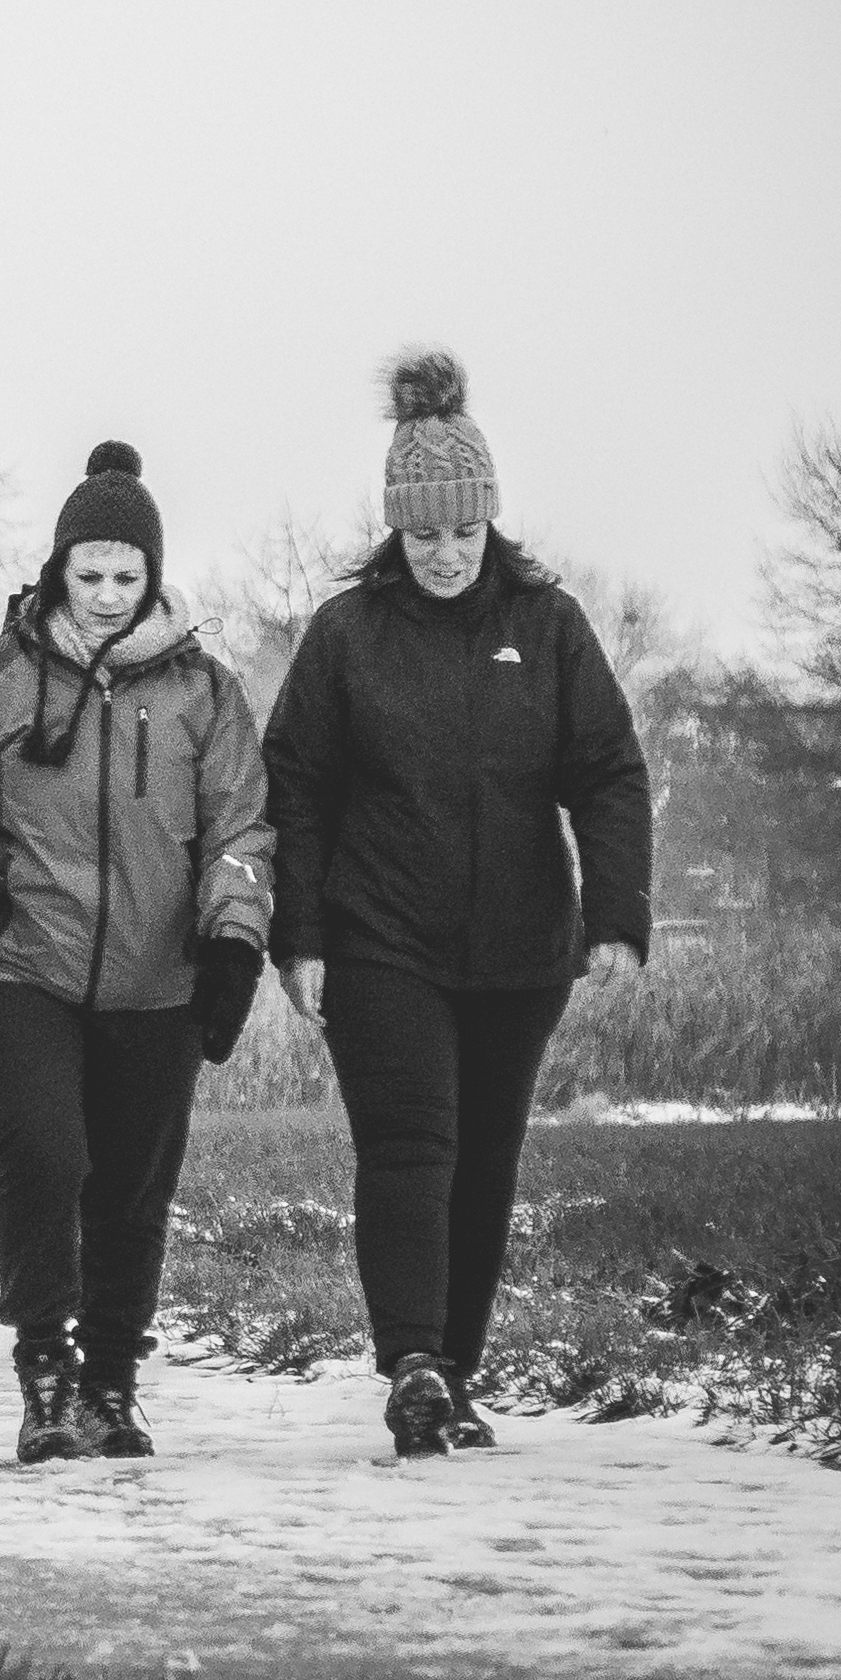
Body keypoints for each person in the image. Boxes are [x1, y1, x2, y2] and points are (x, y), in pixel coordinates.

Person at [263, 352, 653, 1459]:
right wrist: (300, 938)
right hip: (380, 939)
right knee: (410, 1144)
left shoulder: (548, 623)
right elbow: (293, 785)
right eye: (423, 533)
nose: (443, 553)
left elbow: (607, 770)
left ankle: (455, 1375)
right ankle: (413, 1360)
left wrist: (616, 913)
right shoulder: (347, 634)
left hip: (520, 949)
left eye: (463, 531)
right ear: (396, 528)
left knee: (484, 1159)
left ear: (490, 522)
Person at [0, 445, 272, 1463]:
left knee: (131, 1184)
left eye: (126, 576)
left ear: (153, 574)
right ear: (57, 567)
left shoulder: (206, 690)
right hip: (19, 966)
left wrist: (233, 939)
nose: (107, 595)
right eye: (89, 573)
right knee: (45, 1154)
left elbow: (240, 827)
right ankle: (45, 1372)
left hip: (159, 978)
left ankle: (110, 1380)